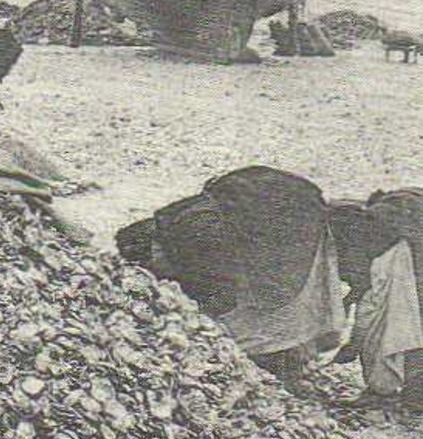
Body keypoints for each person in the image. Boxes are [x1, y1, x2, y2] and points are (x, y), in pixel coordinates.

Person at [117, 167, 345, 390]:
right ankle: (284, 355)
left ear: (154, 249)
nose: (161, 273)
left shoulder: (200, 239)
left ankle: (288, 361)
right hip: (263, 203)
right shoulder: (168, 222)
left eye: (153, 266)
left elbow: (226, 293)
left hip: (289, 220)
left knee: (277, 296)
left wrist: (191, 321)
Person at [327, 191, 423, 406]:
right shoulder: (387, 221)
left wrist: (352, 343)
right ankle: (412, 395)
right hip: (407, 261)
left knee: (389, 326)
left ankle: (391, 392)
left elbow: (367, 289)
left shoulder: (368, 232)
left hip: (407, 267)